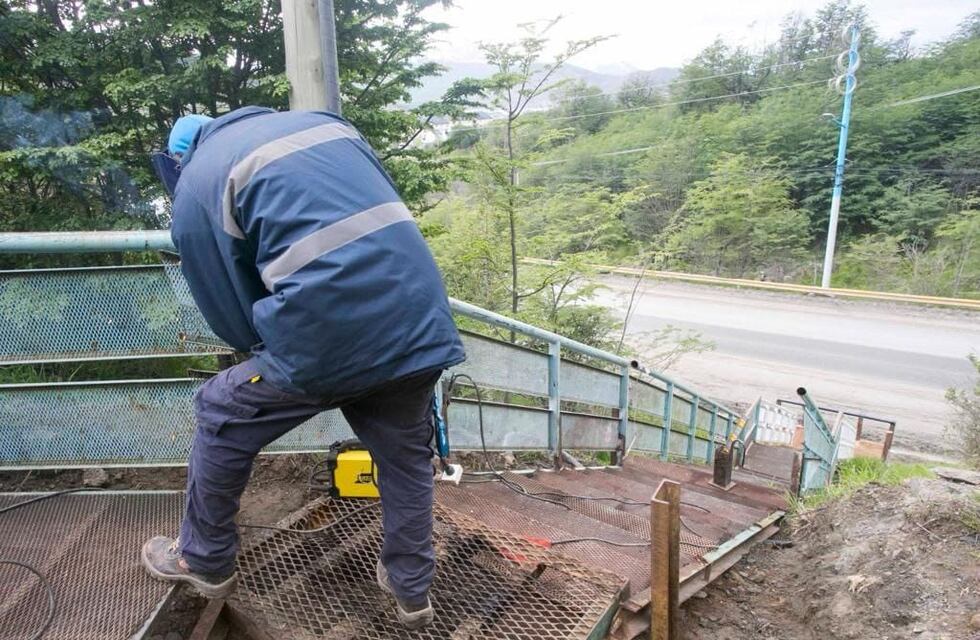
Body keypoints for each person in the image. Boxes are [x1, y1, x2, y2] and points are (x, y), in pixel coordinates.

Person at [141, 107, 465, 630]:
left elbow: (228, 309)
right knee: (405, 457)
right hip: (419, 320)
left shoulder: (198, 182)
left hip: (324, 340)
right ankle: (412, 589)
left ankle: (202, 560)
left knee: (221, 409)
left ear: (180, 159)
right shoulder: (326, 124)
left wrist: (267, 349)